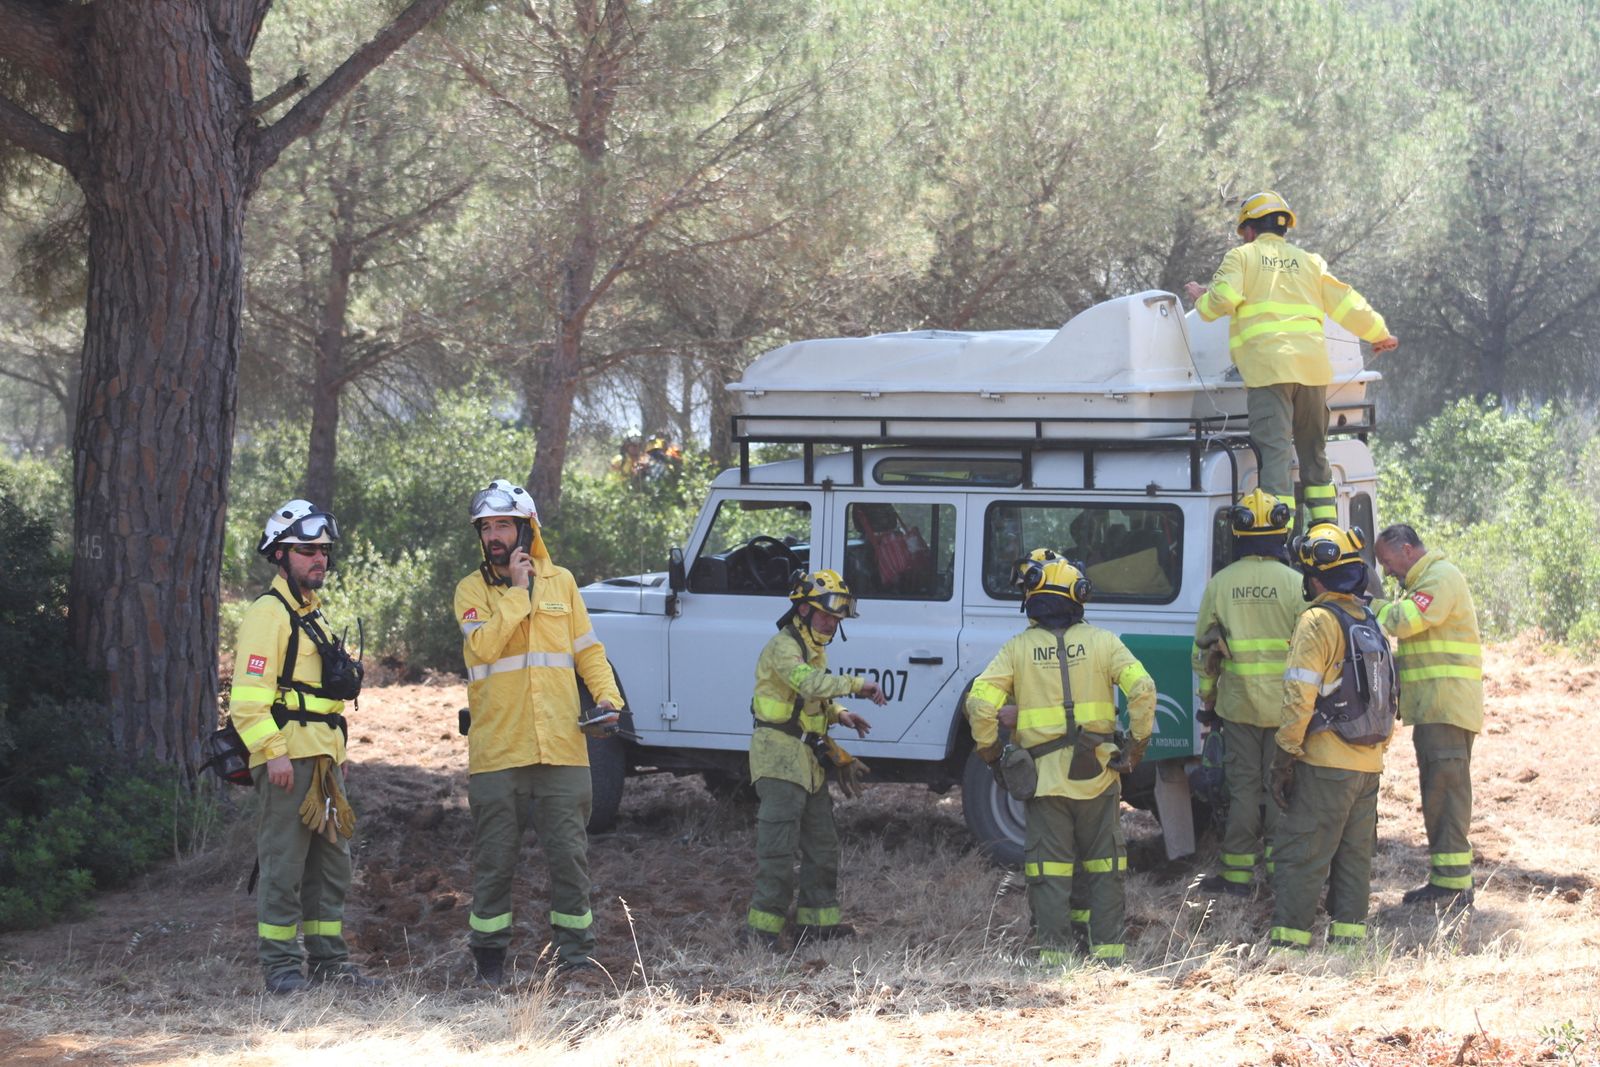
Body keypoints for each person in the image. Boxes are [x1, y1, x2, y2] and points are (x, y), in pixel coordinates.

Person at [453, 478, 624, 984]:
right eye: (486, 528)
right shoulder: (471, 590)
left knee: (571, 860)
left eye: (503, 524)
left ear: (528, 528)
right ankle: (488, 962)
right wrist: (516, 593)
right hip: (498, 753)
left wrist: (608, 697)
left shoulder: (563, 582)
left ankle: (576, 957)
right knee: (494, 866)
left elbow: (587, 650)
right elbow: (483, 648)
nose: (493, 536)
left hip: (563, 750)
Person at [966, 554, 1156, 965]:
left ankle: (1054, 956)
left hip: (1044, 782)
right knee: (1103, 867)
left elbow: (980, 704)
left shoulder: (1016, 649)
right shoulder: (1105, 642)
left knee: (1049, 872)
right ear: (1078, 595)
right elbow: (1143, 689)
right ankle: (1106, 955)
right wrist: (1134, 749)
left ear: (1033, 597)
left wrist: (993, 755)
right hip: (1100, 778)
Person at [228, 500, 381, 994]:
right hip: (286, 760)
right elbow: (247, 703)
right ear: (280, 555)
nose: (319, 558)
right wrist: (273, 753)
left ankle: (330, 962)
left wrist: (334, 760)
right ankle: (281, 968)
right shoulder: (267, 615)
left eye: (323, 550)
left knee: (331, 866)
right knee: (284, 866)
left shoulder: (312, 614)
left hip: (323, 759)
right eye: (307, 550)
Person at [1184, 191, 1399, 527]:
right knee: (1315, 455)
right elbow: (1345, 302)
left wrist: (1201, 300)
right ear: (1283, 228)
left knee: (1275, 457)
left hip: (1270, 373)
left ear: (1250, 230)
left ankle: (1276, 538)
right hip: (1313, 373)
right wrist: (1379, 333)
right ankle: (1326, 531)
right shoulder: (1310, 262)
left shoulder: (1242, 257)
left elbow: (1223, 301)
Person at [1269, 523, 1396, 950]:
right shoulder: (1370, 619)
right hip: (1369, 763)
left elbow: (1298, 695)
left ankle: (1288, 949)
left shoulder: (1317, 622)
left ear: (1314, 578)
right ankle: (1348, 949)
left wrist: (1285, 752)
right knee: (1354, 861)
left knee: (1302, 856)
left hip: (1325, 763)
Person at [745, 570, 887, 947]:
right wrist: (857, 685)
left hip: (806, 761)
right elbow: (806, 683)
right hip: (778, 758)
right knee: (777, 849)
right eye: (826, 616)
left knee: (822, 846)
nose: (831, 623)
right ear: (803, 610)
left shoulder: (813, 649)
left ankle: (817, 923)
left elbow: (814, 697)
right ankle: (762, 933)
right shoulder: (783, 646)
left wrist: (839, 713)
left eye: (836, 619)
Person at [1192, 489, 1308, 897]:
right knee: (1280, 787)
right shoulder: (1297, 584)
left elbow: (1203, 650)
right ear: (1282, 532)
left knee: (1242, 790)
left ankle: (1237, 877)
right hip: (1287, 709)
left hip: (1238, 706)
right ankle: (1281, 872)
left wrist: (1208, 699)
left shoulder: (1221, 585)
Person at [1373, 523, 1484, 907]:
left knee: (1447, 794)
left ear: (1406, 550)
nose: (1386, 571)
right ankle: (1447, 880)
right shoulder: (1427, 580)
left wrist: (1369, 605)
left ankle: (1453, 886)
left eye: (1386, 562)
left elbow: (1404, 620)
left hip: (1446, 709)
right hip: (1436, 709)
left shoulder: (1439, 578)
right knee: (1438, 793)